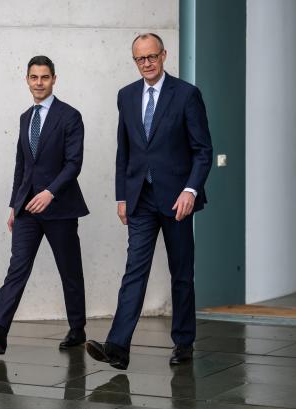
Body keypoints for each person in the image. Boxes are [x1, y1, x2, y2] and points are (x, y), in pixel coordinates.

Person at [85, 33, 213, 369]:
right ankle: (118, 346)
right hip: (140, 199)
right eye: (140, 59)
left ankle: (183, 342)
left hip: (176, 201)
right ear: (134, 60)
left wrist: (191, 190)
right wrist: (122, 195)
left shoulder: (186, 95)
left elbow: (202, 151)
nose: (147, 63)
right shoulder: (126, 96)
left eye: (152, 56)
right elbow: (123, 151)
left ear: (164, 55)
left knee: (181, 273)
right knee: (134, 272)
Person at [0, 55, 89, 354]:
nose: (39, 83)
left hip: (59, 207)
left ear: (54, 79)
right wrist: (14, 205)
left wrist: (50, 192)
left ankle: (77, 328)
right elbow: (22, 166)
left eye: (44, 77)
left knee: (69, 270)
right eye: (34, 77)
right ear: (27, 80)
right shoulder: (25, 117)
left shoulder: (70, 116)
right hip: (26, 211)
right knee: (17, 268)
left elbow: (74, 163)